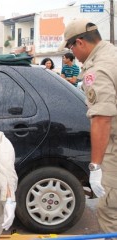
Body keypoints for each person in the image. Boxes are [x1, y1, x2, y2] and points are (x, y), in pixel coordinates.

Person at [59, 18, 117, 238]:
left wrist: (95, 167)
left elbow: (102, 118)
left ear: (80, 43)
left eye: (70, 46)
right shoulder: (112, 54)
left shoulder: (98, 69)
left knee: (110, 209)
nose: (72, 52)